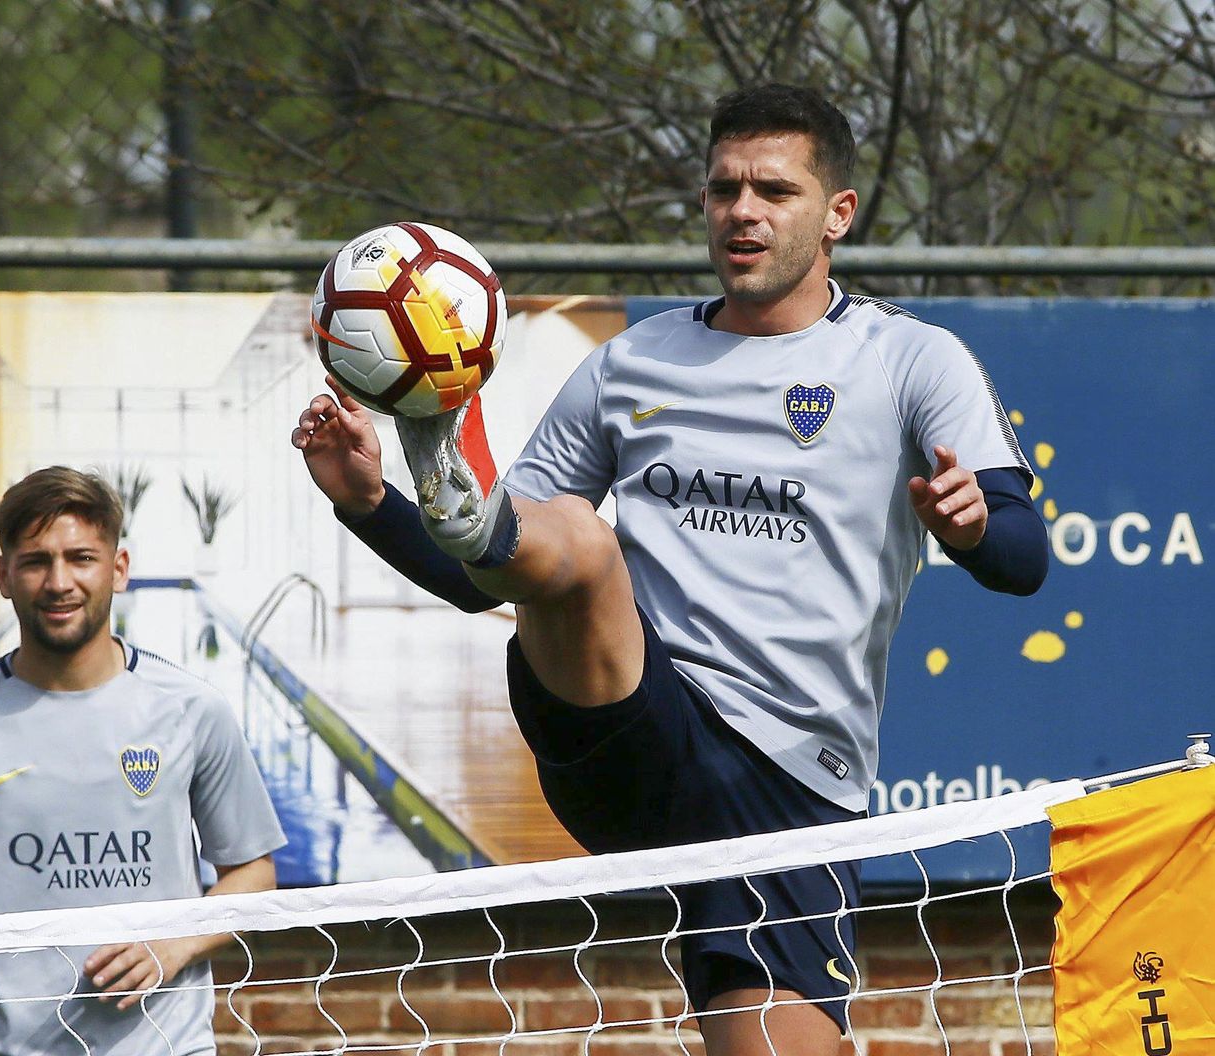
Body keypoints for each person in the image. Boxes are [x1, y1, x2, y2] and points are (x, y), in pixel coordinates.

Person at [292, 83, 1048, 1056]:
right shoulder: (633, 363)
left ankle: (463, 495)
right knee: (576, 542)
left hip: (796, 790)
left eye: (774, 190)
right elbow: (502, 575)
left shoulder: (913, 362)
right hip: (633, 721)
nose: (743, 210)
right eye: (724, 188)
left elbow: (1023, 562)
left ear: (838, 214)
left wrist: (976, 524)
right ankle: (448, 473)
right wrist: (371, 502)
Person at [0, 466, 286, 1056]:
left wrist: (170, 947)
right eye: (36, 561)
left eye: (81, 558)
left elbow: (253, 873)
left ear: (119, 568)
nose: (59, 581)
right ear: (4, 575)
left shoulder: (192, 710)